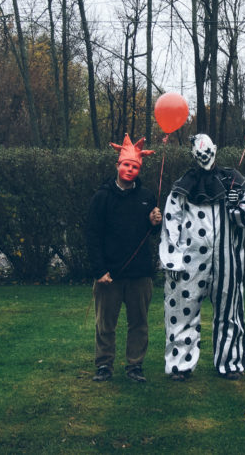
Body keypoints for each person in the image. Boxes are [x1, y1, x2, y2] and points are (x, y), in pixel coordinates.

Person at [159, 134, 245, 381]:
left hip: (227, 262)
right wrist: (172, 259)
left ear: (215, 150)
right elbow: (171, 221)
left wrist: (238, 208)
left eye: (207, 150)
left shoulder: (234, 180)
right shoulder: (182, 185)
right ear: (193, 156)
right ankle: (179, 366)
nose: (204, 155)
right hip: (189, 264)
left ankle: (230, 362)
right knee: (182, 312)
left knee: (230, 314)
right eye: (199, 152)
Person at [86, 134, 162, 383]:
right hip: (109, 274)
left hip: (140, 273)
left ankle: (135, 366)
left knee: (138, 323)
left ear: (139, 170)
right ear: (118, 165)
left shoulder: (147, 196)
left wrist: (155, 223)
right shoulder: (102, 197)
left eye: (135, 167)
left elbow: (154, 233)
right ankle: (104, 365)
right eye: (126, 165)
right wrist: (100, 271)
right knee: (105, 324)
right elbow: (93, 235)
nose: (130, 170)